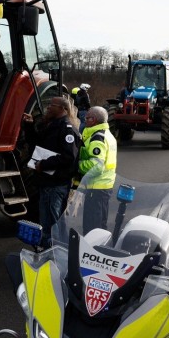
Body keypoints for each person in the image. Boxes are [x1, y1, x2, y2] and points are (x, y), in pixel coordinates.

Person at [21, 96, 80, 247]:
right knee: (45, 222)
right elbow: (36, 145)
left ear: (62, 109)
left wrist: (44, 164)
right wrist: (29, 126)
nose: (48, 107)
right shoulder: (50, 126)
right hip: (45, 182)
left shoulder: (67, 129)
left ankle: (59, 251)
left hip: (57, 184)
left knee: (55, 222)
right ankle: (47, 250)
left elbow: (69, 157)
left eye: (52, 105)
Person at [75, 105, 117, 233]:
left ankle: (92, 251)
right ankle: (98, 249)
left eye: (87, 118)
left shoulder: (97, 138)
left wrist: (76, 165)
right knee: (99, 225)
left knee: (92, 228)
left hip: (96, 188)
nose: (85, 120)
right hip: (103, 186)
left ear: (93, 120)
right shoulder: (107, 135)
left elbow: (97, 166)